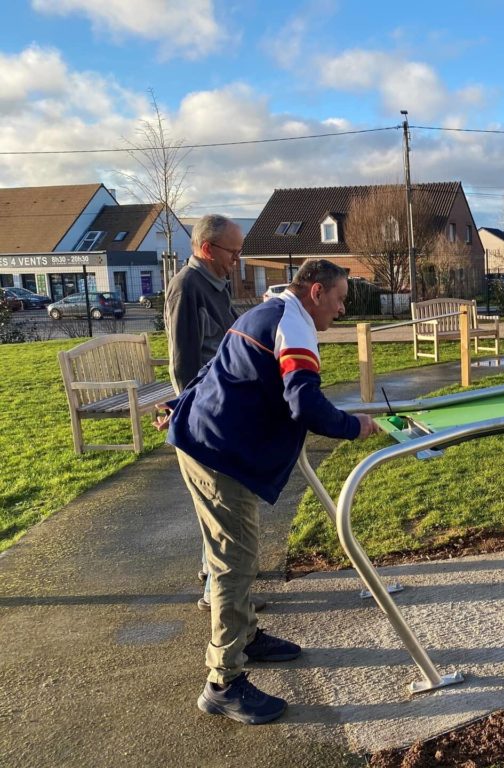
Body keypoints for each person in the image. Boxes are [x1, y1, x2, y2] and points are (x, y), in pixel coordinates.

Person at [163, 258, 379, 725]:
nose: (342, 309)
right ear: (316, 291)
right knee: (234, 562)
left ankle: (246, 638)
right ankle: (223, 682)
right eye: (340, 298)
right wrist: (354, 426)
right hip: (218, 453)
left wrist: (179, 404)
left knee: (235, 555)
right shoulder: (294, 324)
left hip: (206, 440)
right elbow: (304, 403)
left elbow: (217, 367)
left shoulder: (267, 311)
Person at [163, 214, 267, 613]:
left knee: (219, 509)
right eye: (233, 252)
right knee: (224, 508)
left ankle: (212, 573)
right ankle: (217, 594)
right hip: (208, 418)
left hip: (226, 408)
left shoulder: (216, 284)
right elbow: (183, 362)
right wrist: (189, 414)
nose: (237, 261)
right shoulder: (187, 287)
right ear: (207, 249)